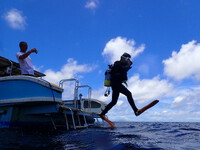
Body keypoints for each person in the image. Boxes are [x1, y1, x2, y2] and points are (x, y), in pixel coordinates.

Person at [100, 52, 142, 120]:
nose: (128, 60)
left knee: (114, 102)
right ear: (123, 58)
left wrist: (128, 65)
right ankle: (135, 110)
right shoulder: (117, 63)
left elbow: (126, 68)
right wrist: (128, 66)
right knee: (129, 94)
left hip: (115, 84)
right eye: (127, 59)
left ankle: (102, 113)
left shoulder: (121, 65)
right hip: (116, 84)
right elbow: (122, 69)